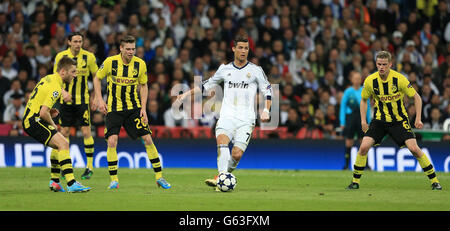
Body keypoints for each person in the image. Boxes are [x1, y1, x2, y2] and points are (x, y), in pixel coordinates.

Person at [176, 34, 272, 191]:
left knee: (237, 154)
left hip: (246, 119)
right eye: (240, 47)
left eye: (246, 48)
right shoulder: (224, 69)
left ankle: (223, 175)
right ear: (233, 49)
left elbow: (268, 91)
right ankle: (221, 179)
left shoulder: (256, 71)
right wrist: (186, 94)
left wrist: (267, 109)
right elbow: (205, 86)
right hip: (227, 116)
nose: (243, 51)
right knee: (222, 141)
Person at [346, 51, 442, 190]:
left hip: (399, 121)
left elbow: (417, 97)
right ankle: (355, 182)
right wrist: (363, 121)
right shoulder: (370, 81)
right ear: (376, 64)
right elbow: (363, 100)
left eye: (384, 64)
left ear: (390, 64)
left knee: (414, 149)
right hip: (379, 120)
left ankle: (435, 181)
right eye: (379, 64)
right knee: (363, 147)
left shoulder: (400, 79)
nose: (381, 67)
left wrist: (419, 118)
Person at [92, 35, 171, 190]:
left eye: (133, 49)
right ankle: (114, 180)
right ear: (121, 48)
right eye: (127, 49)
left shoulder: (140, 64)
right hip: (114, 109)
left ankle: (159, 177)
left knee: (148, 139)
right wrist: (100, 100)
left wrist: (143, 108)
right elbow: (97, 78)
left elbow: (144, 86)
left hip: (133, 109)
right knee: (112, 141)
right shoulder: (110, 62)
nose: (130, 51)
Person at [22, 56, 90, 193]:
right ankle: (71, 183)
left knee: (59, 145)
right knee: (63, 143)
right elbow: (43, 113)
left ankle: (55, 182)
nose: (75, 75)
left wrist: (48, 110)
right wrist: (52, 124)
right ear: (63, 72)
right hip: (34, 120)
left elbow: (38, 100)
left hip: (30, 118)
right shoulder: (56, 87)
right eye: (73, 72)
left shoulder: (48, 78)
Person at [53, 32, 98, 180]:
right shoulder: (61, 57)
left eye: (80, 41)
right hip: (66, 101)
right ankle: (64, 164)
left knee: (86, 132)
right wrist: (62, 93)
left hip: (83, 101)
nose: (78, 44)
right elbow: (56, 78)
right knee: (64, 132)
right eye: (75, 41)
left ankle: (89, 167)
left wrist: (96, 96)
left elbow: (96, 76)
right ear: (69, 42)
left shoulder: (89, 57)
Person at [339, 72, 371, 170]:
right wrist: (342, 122)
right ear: (352, 80)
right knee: (349, 142)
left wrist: (368, 121)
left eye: (358, 78)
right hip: (350, 118)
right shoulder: (348, 92)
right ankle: (346, 165)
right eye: (355, 78)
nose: (357, 80)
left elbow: (368, 107)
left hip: (361, 119)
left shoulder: (364, 91)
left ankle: (367, 164)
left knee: (364, 142)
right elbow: (343, 107)